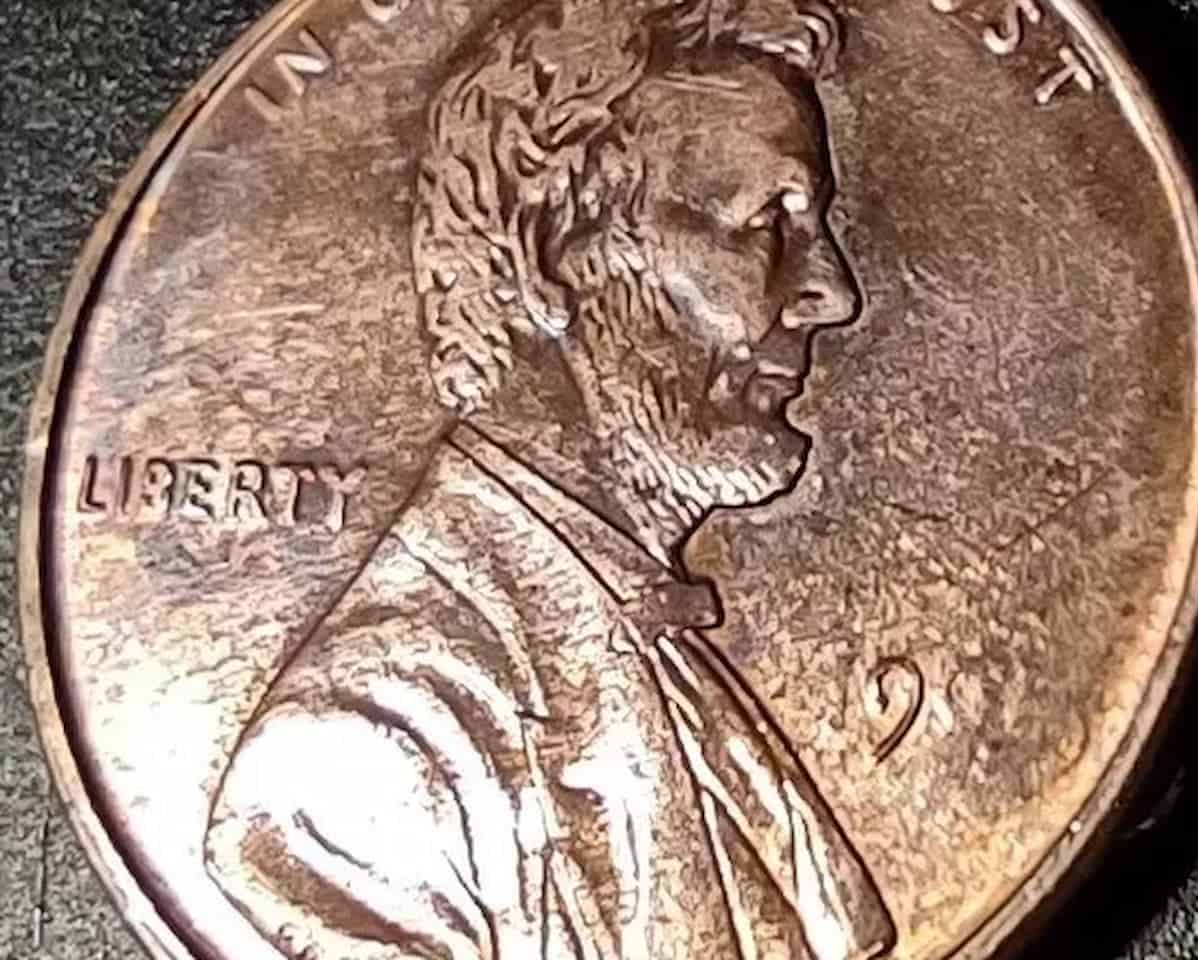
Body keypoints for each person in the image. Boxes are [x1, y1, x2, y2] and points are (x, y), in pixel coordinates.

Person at [204, 2, 896, 957]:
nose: (831, 291)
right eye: (763, 220)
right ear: (550, 262)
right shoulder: (352, 764)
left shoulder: (657, 648)